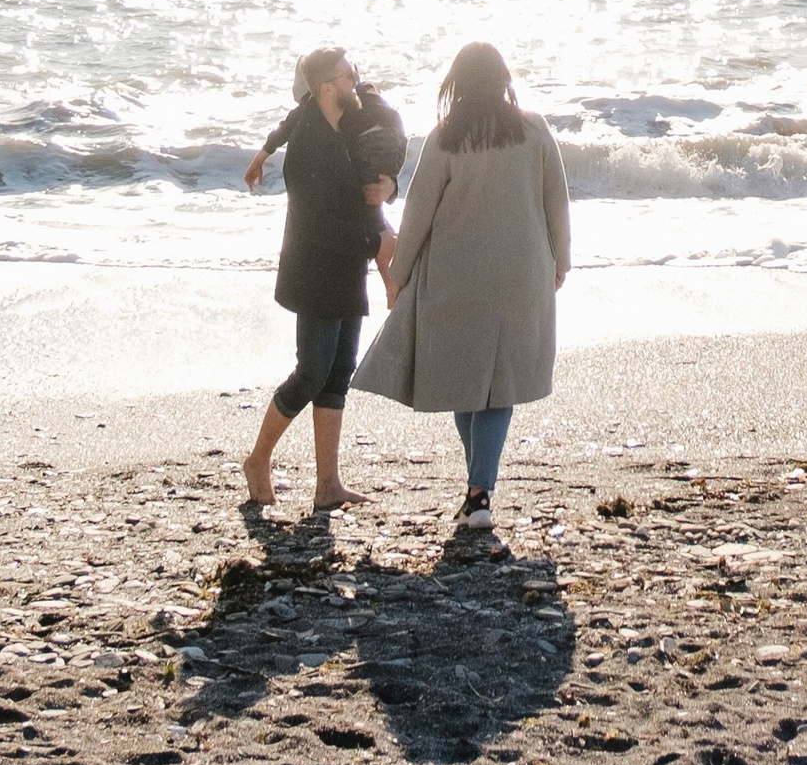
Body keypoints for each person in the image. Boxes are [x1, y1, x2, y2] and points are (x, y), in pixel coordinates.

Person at [351, 40, 571, 523]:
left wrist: (398, 275)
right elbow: (557, 200)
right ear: (503, 79)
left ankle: (477, 491)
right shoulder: (534, 128)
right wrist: (561, 261)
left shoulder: (446, 137)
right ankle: (479, 489)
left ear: (457, 83)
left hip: (456, 273)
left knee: (466, 379)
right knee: (499, 384)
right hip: (522, 271)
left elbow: (418, 214)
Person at [239, 47, 407, 515]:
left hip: (348, 264)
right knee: (311, 372)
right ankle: (257, 460)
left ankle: (328, 485)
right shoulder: (308, 148)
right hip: (314, 270)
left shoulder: (349, 119)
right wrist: (375, 244)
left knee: (337, 376)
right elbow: (315, 227)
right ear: (325, 88)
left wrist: (390, 186)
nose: (356, 77)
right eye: (346, 73)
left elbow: (385, 153)